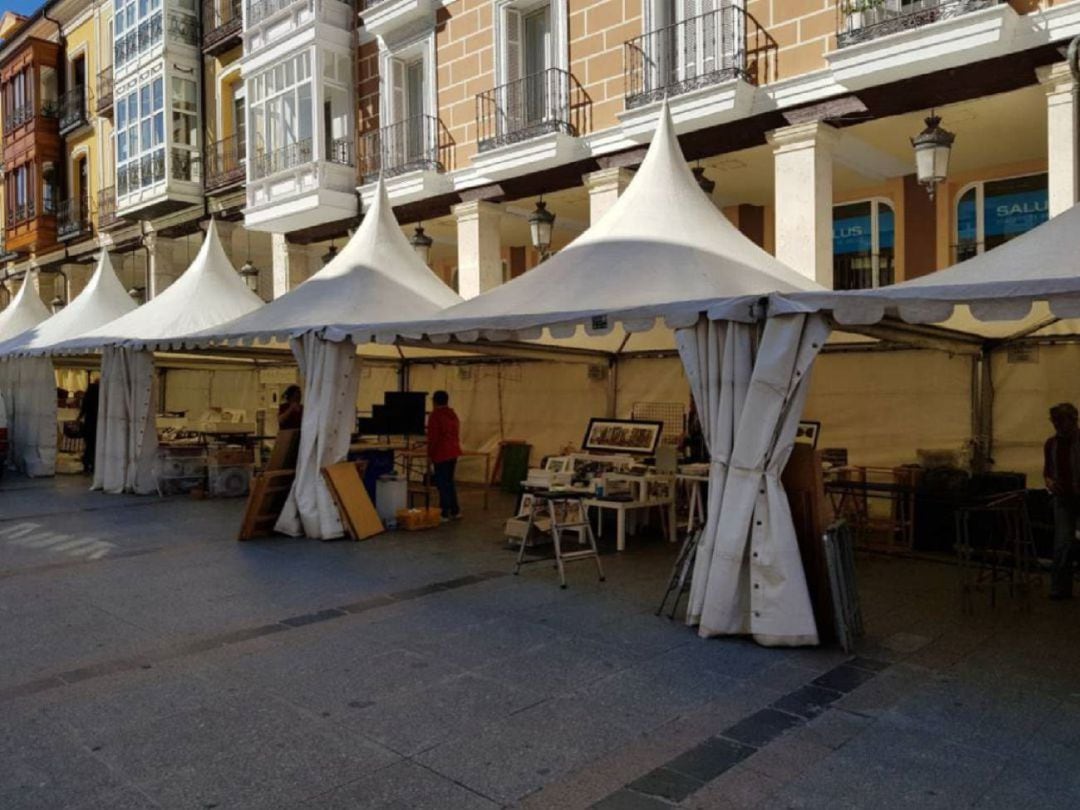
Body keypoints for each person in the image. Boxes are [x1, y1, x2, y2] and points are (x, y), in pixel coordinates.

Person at [1044, 402, 1080, 599]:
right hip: (1063, 499)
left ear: (1073, 420)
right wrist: (1049, 482)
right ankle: (1060, 589)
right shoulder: (1051, 443)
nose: (1056, 425)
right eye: (1054, 421)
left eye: (1060, 421)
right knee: (1062, 545)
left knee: (1065, 544)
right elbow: (1048, 471)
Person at [427, 390, 462, 521]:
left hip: (441, 453)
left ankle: (444, 512)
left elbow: (433, 437)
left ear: (434, 401)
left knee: (442, 483)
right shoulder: (452, 414)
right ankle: (455, 510)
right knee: (449, 482)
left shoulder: (435, 416)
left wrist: (430, 453)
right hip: (453, 451)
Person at [79, 379, 100, 474]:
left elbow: (83, 410)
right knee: (95, 446)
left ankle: (87, 464)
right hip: (97, 426)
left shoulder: (88, 399)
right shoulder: (99, 400)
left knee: (89, 446)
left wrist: (78, 418)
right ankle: (93, 464)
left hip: (89, 425)